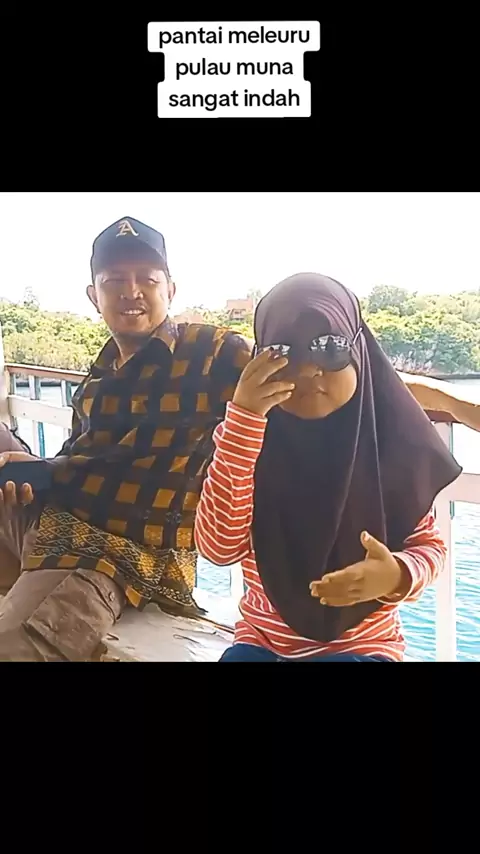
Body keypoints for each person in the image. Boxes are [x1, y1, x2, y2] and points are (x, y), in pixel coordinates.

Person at [0, 216, 250, 661]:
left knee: (14, 645)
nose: (130, 292)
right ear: (93, 296)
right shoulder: (97, 379)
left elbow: (302, 388)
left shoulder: (213, 353)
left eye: (146, 280)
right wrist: (33, 475)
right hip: (56, 520)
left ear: (170, 289)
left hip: (117, 553)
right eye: (114, 280)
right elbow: (81, 460)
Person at [194, 273, 462, 662]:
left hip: (363, 649)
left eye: (330, 347)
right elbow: (217, 548)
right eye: (283, 352)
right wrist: (244, 422)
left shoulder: (391, 450)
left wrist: (396, 575)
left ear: (358, 352)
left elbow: (429, 547)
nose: (308, 370)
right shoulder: (247, 442)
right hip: (262, 645)